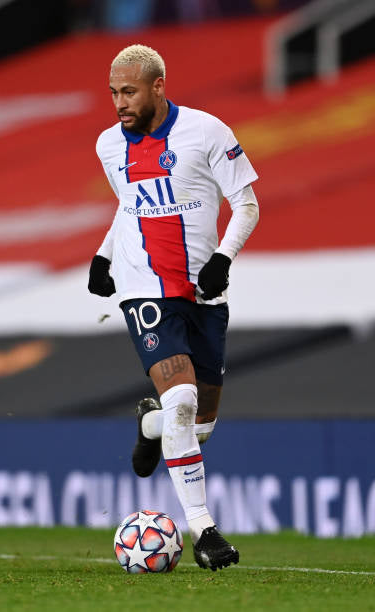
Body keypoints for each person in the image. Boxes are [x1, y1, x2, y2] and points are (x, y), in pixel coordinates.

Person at [88, 44, 259, 571]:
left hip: (204, 292)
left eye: (129, 91)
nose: (120, 102)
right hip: (144, 287)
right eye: (114, 92)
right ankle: (204, 530)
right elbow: (129, 205)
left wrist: (222, 259)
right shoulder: (108, 145)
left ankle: (150, 426)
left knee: (198, 424)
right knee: (182, 398)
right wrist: (105, 255)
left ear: (158, 86)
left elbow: (247, 205)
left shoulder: (207, 132)